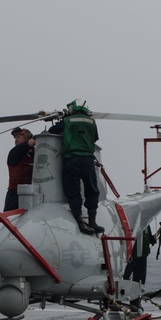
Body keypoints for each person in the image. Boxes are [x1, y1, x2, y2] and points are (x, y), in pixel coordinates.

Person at [48, 99, 102, 234]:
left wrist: (65, 121)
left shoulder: (67, 121)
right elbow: (94, 138)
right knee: (92, 189)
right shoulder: (92, 122)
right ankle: (93, 221)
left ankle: (80, 221)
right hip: (88, 160)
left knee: (73, 190)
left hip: (71, 159)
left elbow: (52, 130)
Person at [3, 127, 36, 212]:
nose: (15, 140)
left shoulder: (34, 153)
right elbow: (30, 143)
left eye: (18, 137)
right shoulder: (15, 152)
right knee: (10, 219)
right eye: (15, 138)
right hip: (15, 193)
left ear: (26, 137)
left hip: (32, 192)